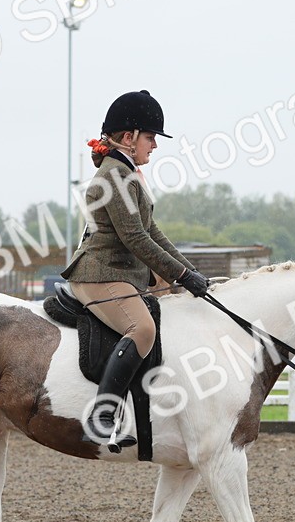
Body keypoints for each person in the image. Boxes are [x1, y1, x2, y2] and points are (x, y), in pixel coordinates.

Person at [64, 90, 209, 448]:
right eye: (150, 137)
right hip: (99, 273)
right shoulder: (115, 177)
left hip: (116, 274)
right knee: (142, 328)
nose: (155, 145)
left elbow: (153, 233)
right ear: (128, 138)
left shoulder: (128, 174)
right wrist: (182, 276)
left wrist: (192, 273)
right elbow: (136, 241)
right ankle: (102, 415)